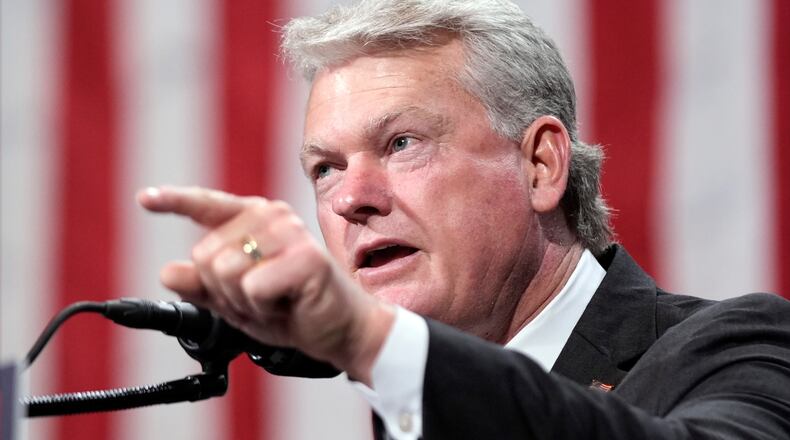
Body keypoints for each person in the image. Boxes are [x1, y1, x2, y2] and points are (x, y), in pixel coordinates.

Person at [137, 0, 790, 438]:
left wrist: (369, 343)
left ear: (540, 166)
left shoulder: (739, 346)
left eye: (401, 143)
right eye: (326, 168)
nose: (347, 199)